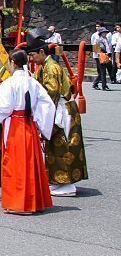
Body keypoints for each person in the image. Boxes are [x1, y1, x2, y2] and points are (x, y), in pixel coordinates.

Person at [0, 49, 55, 214]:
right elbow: (48, 103)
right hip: (29, 124)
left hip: (15, 126)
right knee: (31, 162)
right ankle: (34, 200)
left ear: (13, 63)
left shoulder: (10, 83)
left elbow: (4, 106)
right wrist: (40, 122)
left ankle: (19, 202)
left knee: (15, 163)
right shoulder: (32, 82)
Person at [26, 28, 89, 197]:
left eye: (32, 55)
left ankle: (66, 183)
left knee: (63, 145)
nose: (31, 59)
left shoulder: (51, 67)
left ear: (41, 51)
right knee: (56, 145)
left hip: (61, 109)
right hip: (59, 107)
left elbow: (50, 91)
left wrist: (37, 108)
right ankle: (59, 180)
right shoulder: (46, 66)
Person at [91, 25, 111, 91]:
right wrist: (102, 52)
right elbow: (95, 48)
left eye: (105, 32)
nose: (105, 33)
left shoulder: (105, 39)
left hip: (105, 56)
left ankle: (95, 83)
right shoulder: (98, 39)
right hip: (99, 56)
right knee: (103, 71)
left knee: (102, 72)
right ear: (101, 33)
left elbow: (108, 48)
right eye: (104, 32)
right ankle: (104, 86)